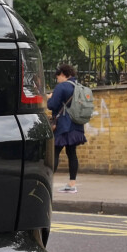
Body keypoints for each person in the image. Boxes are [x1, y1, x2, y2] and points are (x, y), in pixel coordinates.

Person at [47, 63, 86, 193]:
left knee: (55, 152)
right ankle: (72, 184)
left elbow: (52, 105)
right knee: (72, 153)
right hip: (77, 125)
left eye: (57, 77)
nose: (57, 80)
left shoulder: (62, 87)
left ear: (63, 74)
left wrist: (50, 98)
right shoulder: (79, 87)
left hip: (63, 126)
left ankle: (47, 184)